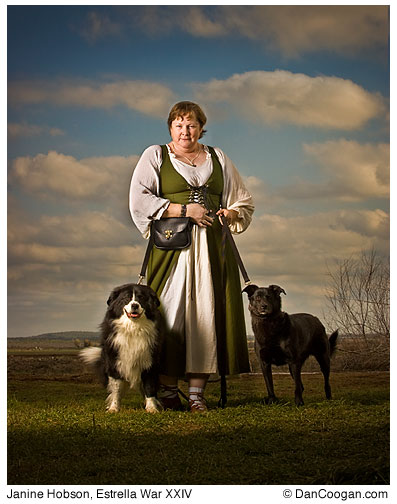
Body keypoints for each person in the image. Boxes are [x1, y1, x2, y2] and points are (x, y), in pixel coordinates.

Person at [129, 101, 254, 412]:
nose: (185, 131)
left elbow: (243, 199)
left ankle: (197, 394)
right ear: (171, 128)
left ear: (201, 127)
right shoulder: (155, 155)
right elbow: (139, 199)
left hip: (212, 247)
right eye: (179, 125)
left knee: (207, 317)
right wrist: (185, 209)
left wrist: (231, 211)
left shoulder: (218, 157)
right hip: (172, 248)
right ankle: (168, 390)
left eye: (192, 125)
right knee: (170, 316)